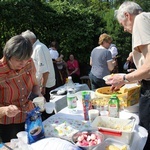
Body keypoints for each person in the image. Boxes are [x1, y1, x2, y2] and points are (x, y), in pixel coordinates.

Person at [105, 1, 150, 149]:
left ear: (127, 15)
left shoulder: (140, 19)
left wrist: (123, 78)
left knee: (144, 134)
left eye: (122, 24)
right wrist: (136, 75)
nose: (124, 29)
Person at [0, 35, 43, 142]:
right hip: (10, 124)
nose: (23, 64)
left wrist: (39, 95)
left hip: (30, 116)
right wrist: (5, 110)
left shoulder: (29, 62)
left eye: (26, 59)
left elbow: (35, 85)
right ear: (8, 55)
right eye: (19, 60)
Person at [21, 30, 56, 121]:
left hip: (45, 84)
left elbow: (45, 71)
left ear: (29, 40)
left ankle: (51, 124)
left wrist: (42, 86)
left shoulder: (39, 48)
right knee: (42, 109)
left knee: (46, 108)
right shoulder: (35, 48)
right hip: (40, 84)